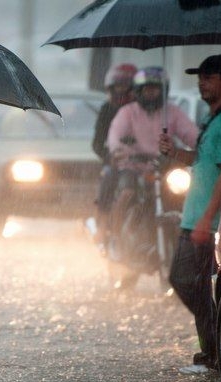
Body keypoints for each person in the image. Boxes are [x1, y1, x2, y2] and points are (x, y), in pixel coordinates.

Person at [160, 55, 221, 374]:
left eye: (207, 77)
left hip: (206, 222)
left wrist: (208, 219)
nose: (201, 83)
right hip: (194, 218)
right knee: (188, 282)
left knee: (193, 283)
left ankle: (213, 354)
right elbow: (202, 161)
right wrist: (174, 152)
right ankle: (211, 350)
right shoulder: (213, 119)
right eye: (200, 77)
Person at [107, 66, 198, 256]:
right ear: (138, 91)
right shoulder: (127, 112)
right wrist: (119, 150)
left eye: (155, 89)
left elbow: (192, 135)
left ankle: (188, 246)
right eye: (147, 89)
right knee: (126, 193)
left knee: (185, 196)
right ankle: (115, 238)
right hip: (133, 167)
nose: (151, 93)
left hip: (165, 169)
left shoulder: (172, 112)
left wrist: (202, 146)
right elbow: (115, 136)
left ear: (163, 90)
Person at [91, 63, 138, 250]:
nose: (122, 91)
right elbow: (96, 144)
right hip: (115, 162)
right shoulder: (106, 109)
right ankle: (102, 225)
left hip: (141, 162)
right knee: (108, 178)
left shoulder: (140, 109)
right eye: (118, 87)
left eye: (126, 87)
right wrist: (110, 156)